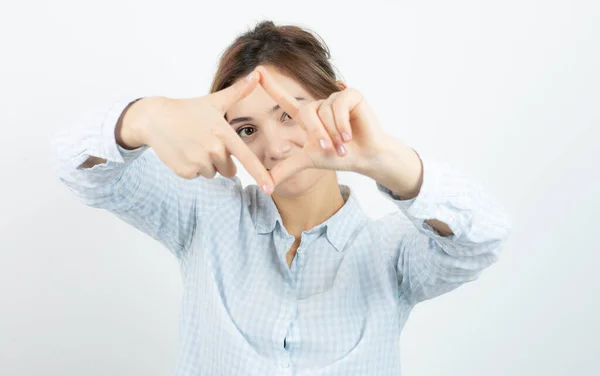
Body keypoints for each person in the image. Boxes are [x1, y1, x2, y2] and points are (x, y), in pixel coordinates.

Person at [51, 20, 512, 375]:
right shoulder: (205, 214)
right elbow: (76, 167)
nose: (273, 147)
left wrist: (385, 158)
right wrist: (146, 116)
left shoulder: (391, 252)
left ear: (334, 102)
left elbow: (483, 239)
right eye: (246, 129)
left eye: (289, 114)